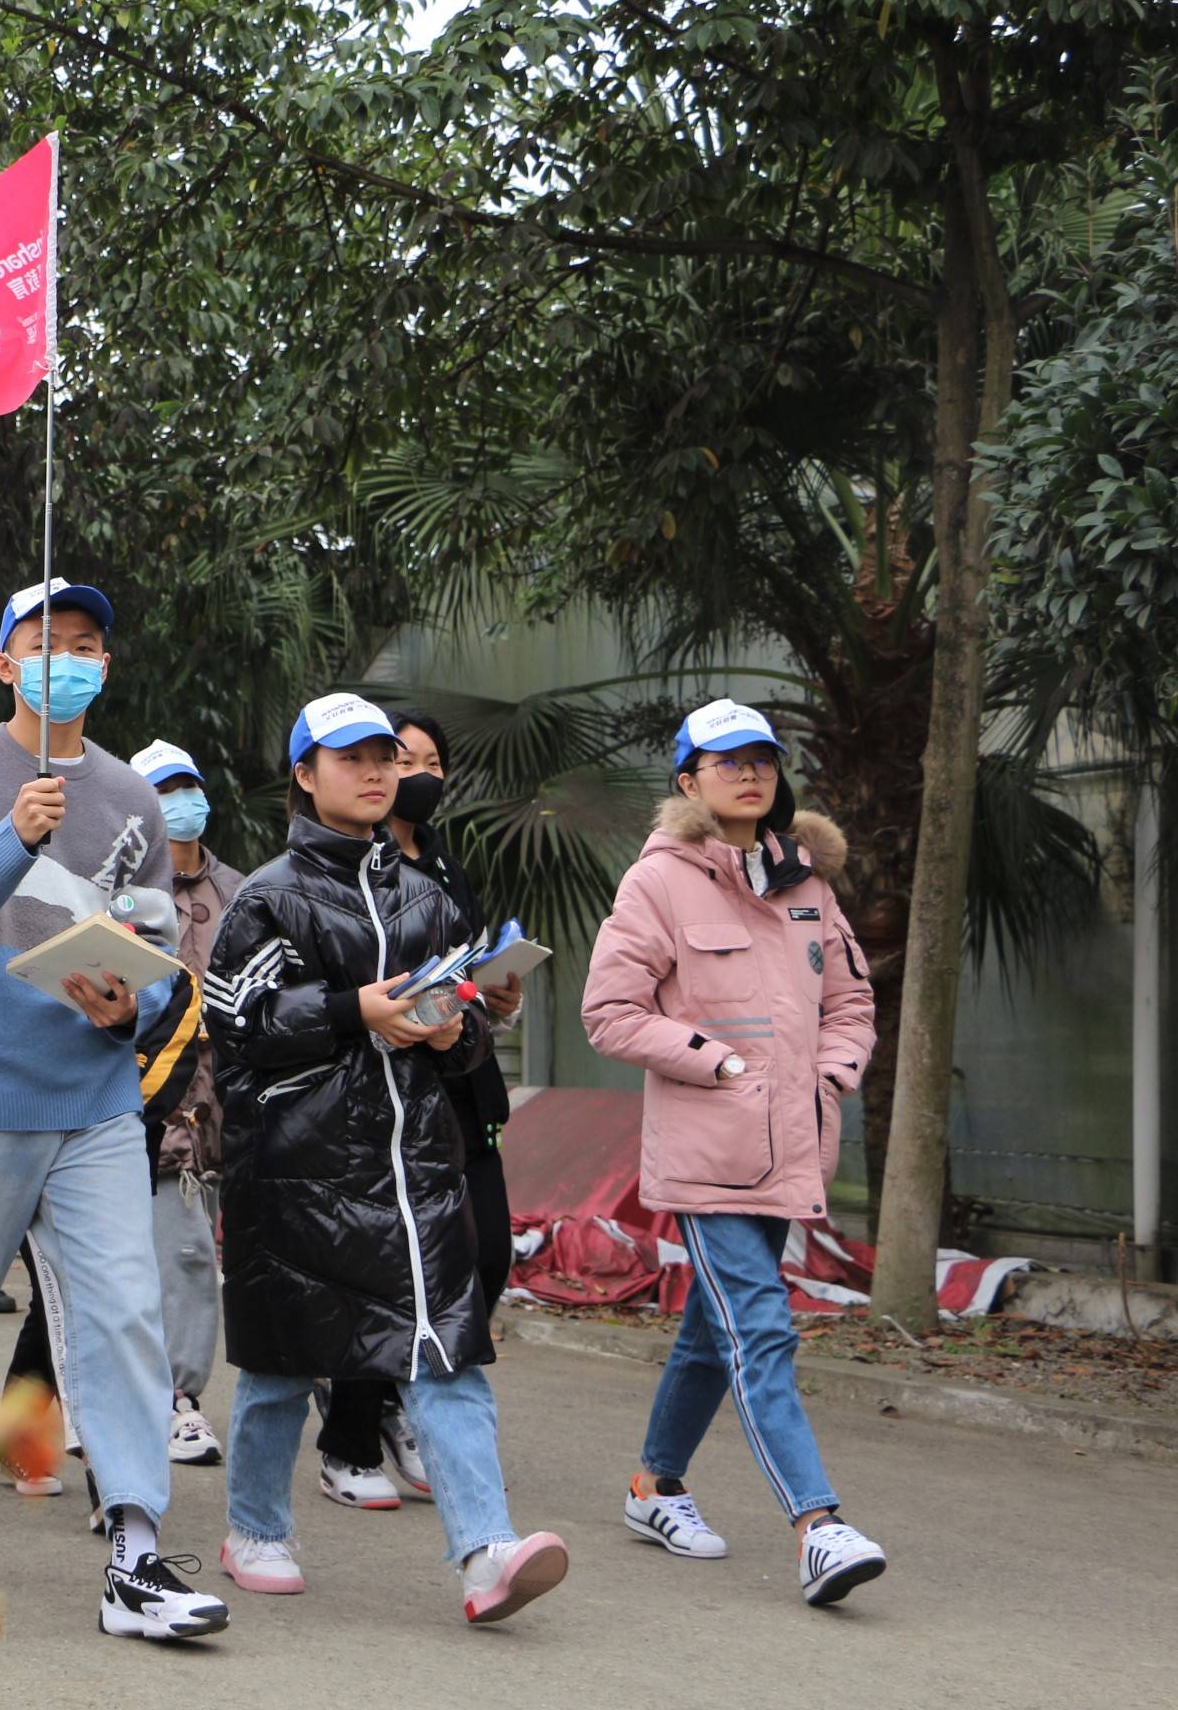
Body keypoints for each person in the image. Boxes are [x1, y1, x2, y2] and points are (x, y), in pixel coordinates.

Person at [0, 575, 228, 1644]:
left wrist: (136, 1001)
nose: (64, 656)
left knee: (126, 1310)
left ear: (106, 666)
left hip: (96, 1095)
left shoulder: (134, 795)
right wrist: (12, 840)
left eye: (83, 644)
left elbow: (160, 956)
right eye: (43, 640)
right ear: (3, 662)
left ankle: (134, 1549)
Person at [203, 691, 569, 1624]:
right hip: (297, 1174)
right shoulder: (267, 894)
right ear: (304, 774)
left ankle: (487, 1552)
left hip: (417, 1172)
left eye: (384, 758)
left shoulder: (432, 897)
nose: (375, 773)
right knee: (281, 1365)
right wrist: (352, 1010)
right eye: (351, 757)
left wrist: (455, 1037)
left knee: (447, 1356)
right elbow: (235, 1021)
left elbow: (474, 1034)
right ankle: (254, 1529)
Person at [582, 699, 885, 1607]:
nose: (749, 773)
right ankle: (818, 1527)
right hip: (708, 1156)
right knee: (759, 1327)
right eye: (726, 761)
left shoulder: (809, 886)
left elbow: (852, 1003)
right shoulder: (658, 884)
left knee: (712, 1334)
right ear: (689, 782)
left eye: (761, 758)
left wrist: (829, 1077)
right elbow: (610, 1012)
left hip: (792, 1151)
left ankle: (652, 1488)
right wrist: (720, 1064)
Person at [316, 709, 527, 1510]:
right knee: (386, 1272)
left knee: (488, 1256)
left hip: (463, 1089)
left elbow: (464, 979)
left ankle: (404, 1409)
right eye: (399, 757)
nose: (414, 773)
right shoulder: (337, 873)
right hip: (383, 1101)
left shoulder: (442, 867)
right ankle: (351, 1431)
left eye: (431, 760)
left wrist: (492, 999)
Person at [130, 738, 237, 1470]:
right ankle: (149, 1398)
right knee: (117, 1266)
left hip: (220, 1110)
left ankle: (178, 1399)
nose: (182, 800)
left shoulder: (240, 889)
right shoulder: (123, 885)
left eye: (189, 784)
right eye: (164, 789)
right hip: (135, 1103)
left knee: (193, 1255)